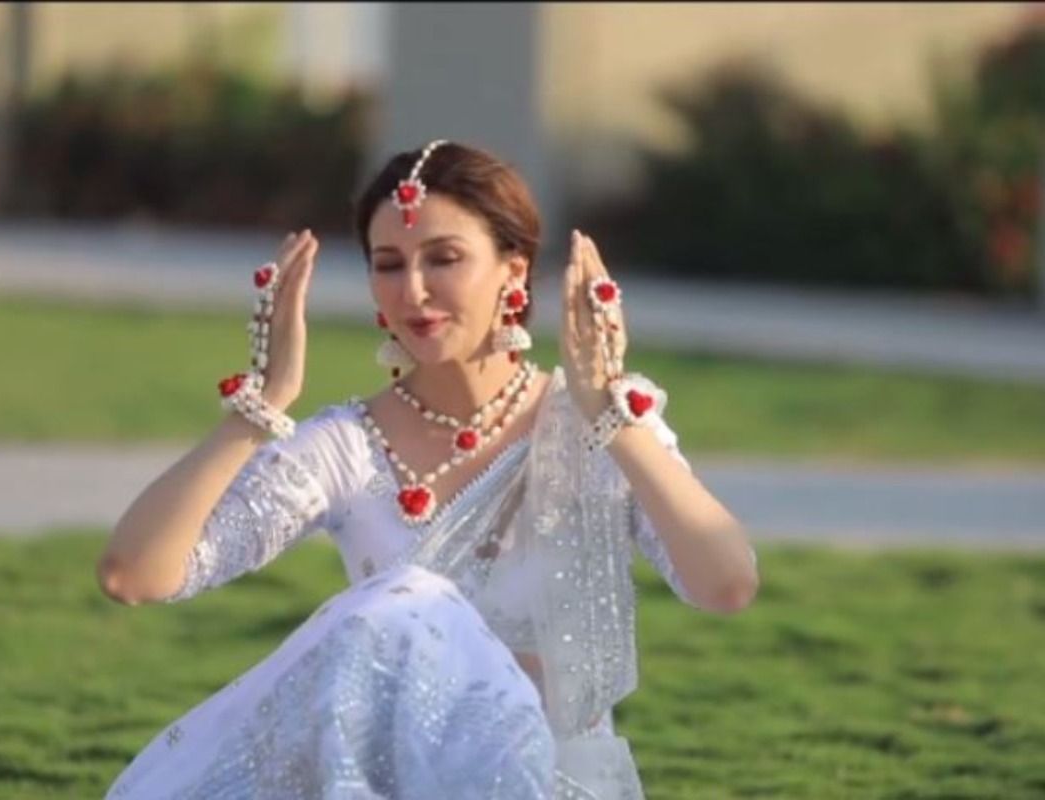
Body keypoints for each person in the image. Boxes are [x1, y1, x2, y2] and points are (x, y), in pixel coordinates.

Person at [96, 140, 759, 799]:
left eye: (444, 258)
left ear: (513, 271)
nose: (413, 291)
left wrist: (610, 414)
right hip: (390, 783)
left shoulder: (597, 428)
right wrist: (258, 410)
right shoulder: (350, 448)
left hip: (557, 782)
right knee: (402, 606)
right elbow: (135, 574)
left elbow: (726, 584)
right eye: (389, 264)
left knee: (412, 601)